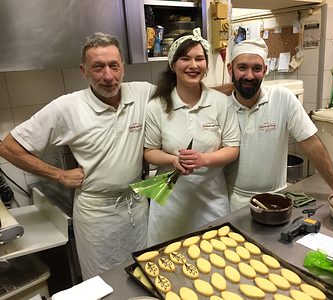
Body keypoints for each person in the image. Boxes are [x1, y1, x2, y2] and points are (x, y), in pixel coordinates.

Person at [0, 32, 152, 280]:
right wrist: (59, 175)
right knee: (105, 282)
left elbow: (180, 97)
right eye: (98, 67)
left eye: (114, 65)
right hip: (96, 215)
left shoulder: (143, 93)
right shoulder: (67, 107)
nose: (108, 76)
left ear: (123, 66)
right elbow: (8, 147)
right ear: (84, 71)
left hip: (136, 207)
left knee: (142, 272)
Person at [225, 38, 333, 211]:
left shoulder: (282, 98)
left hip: (276, 202)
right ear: (230, 69)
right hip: (233, 203)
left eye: (257, 68)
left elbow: (311, 144)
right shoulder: (221, 107)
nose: (250, 75)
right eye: (242, 67)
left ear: (265, 70)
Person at [144, 28, 240, 246]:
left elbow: (233, 148)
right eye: (185, 59)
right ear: (173, 65)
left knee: (215, 259)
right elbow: (149, 152)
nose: (193, 65)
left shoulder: (220, 103)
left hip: (212, 202)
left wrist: (203, 159)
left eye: (199, 59)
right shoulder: (157, 107)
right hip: (170, 206)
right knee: (168, 258)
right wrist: (172, 160)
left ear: (206, 65)